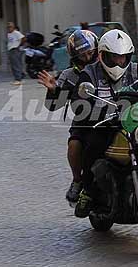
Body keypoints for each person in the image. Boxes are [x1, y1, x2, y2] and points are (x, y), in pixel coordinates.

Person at [71, 29, 138, 218]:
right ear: (103, 55)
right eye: (115, 58)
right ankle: (88, 191)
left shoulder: (134, 70)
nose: (120, 62)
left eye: (124, 57)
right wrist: (93, 111)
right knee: (93, 147)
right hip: (105, 124)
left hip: (133, 123)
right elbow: (79, 101)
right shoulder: (90, 73)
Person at [38, 30, 99, 203]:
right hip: (85, 120)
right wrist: (52, 90)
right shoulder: (68, 75)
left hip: (113, 115)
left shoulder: (105, 69)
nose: (87, 58)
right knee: (74, 145)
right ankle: (77, 180)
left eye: (90, 53)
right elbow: (54, 106)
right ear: (74, 56)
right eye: (82, 55)